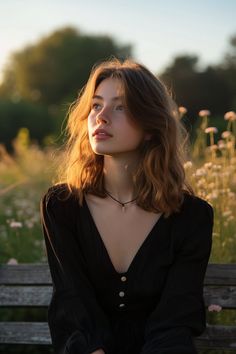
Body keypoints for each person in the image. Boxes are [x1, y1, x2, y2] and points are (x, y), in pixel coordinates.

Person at [40, 58, 214, 354]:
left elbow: (175, 317)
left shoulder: (192, 216)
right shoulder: (62, 206)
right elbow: (73, 302)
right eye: (96, 105)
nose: (101, 117)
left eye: (120, 107)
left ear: (150, 127)